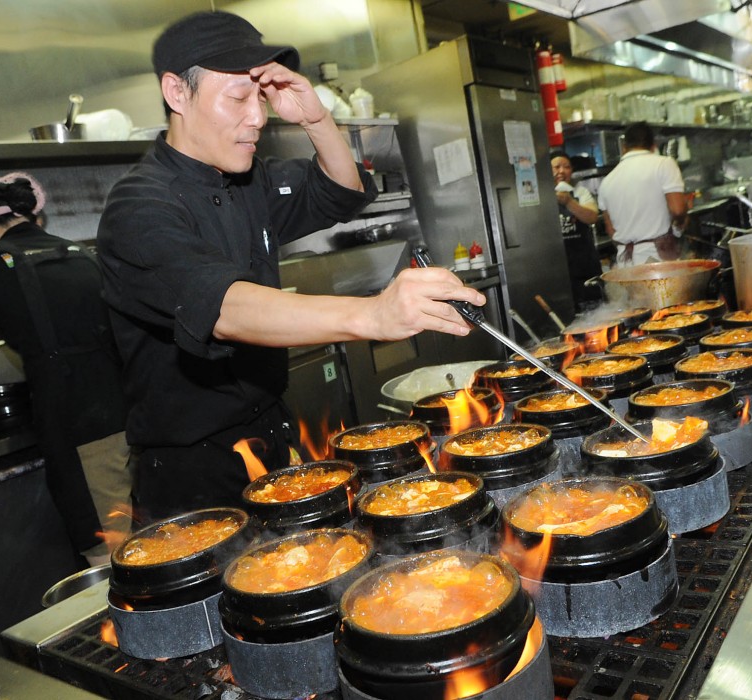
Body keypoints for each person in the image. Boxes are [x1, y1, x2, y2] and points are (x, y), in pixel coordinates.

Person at [97, 11, 484, 525]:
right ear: (176, 92)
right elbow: (224, 307)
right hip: (192, 472)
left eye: (259, 96)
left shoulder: (245, 179)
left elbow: (341, 190)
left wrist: (316, 119)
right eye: (238, 97)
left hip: (273, 434)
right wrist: (373, 315)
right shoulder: (139, 206)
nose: (257, 117)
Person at [0, 172, 132, 567]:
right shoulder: (79, 253)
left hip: (77, 426)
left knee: (113, 554)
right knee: (151, 535)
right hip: (130, 410)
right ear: (35, 218)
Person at [597, 122, 689, 267]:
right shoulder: (664, 164)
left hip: (625, 264)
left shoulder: (606, 181)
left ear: (624, 147)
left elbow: (611, 230)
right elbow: (677, 209)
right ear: (654, 145)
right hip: (658, 261)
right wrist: (681, 219)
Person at [550, 151, 603, 310]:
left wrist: (569, 202)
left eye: (566, 167)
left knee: (595, 311)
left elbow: (592, 217)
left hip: (584, 267)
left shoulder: (581, 192)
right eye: (557, 167)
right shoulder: (542, 197)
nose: (562, 171)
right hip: (556, 271)